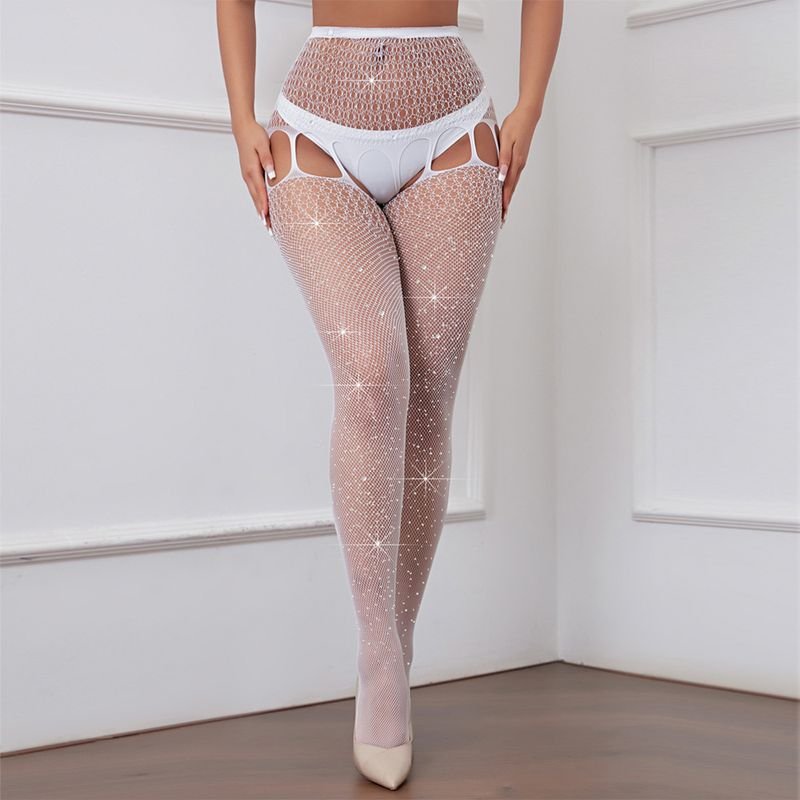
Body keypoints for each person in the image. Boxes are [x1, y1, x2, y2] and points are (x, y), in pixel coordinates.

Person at [216, 0, 563, 790]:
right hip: (314, 135)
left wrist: (531, 107)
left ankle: (395, 655)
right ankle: (379, 654)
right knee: (374, 379)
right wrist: (238, 116)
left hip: (455, 135)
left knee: (429, 398)